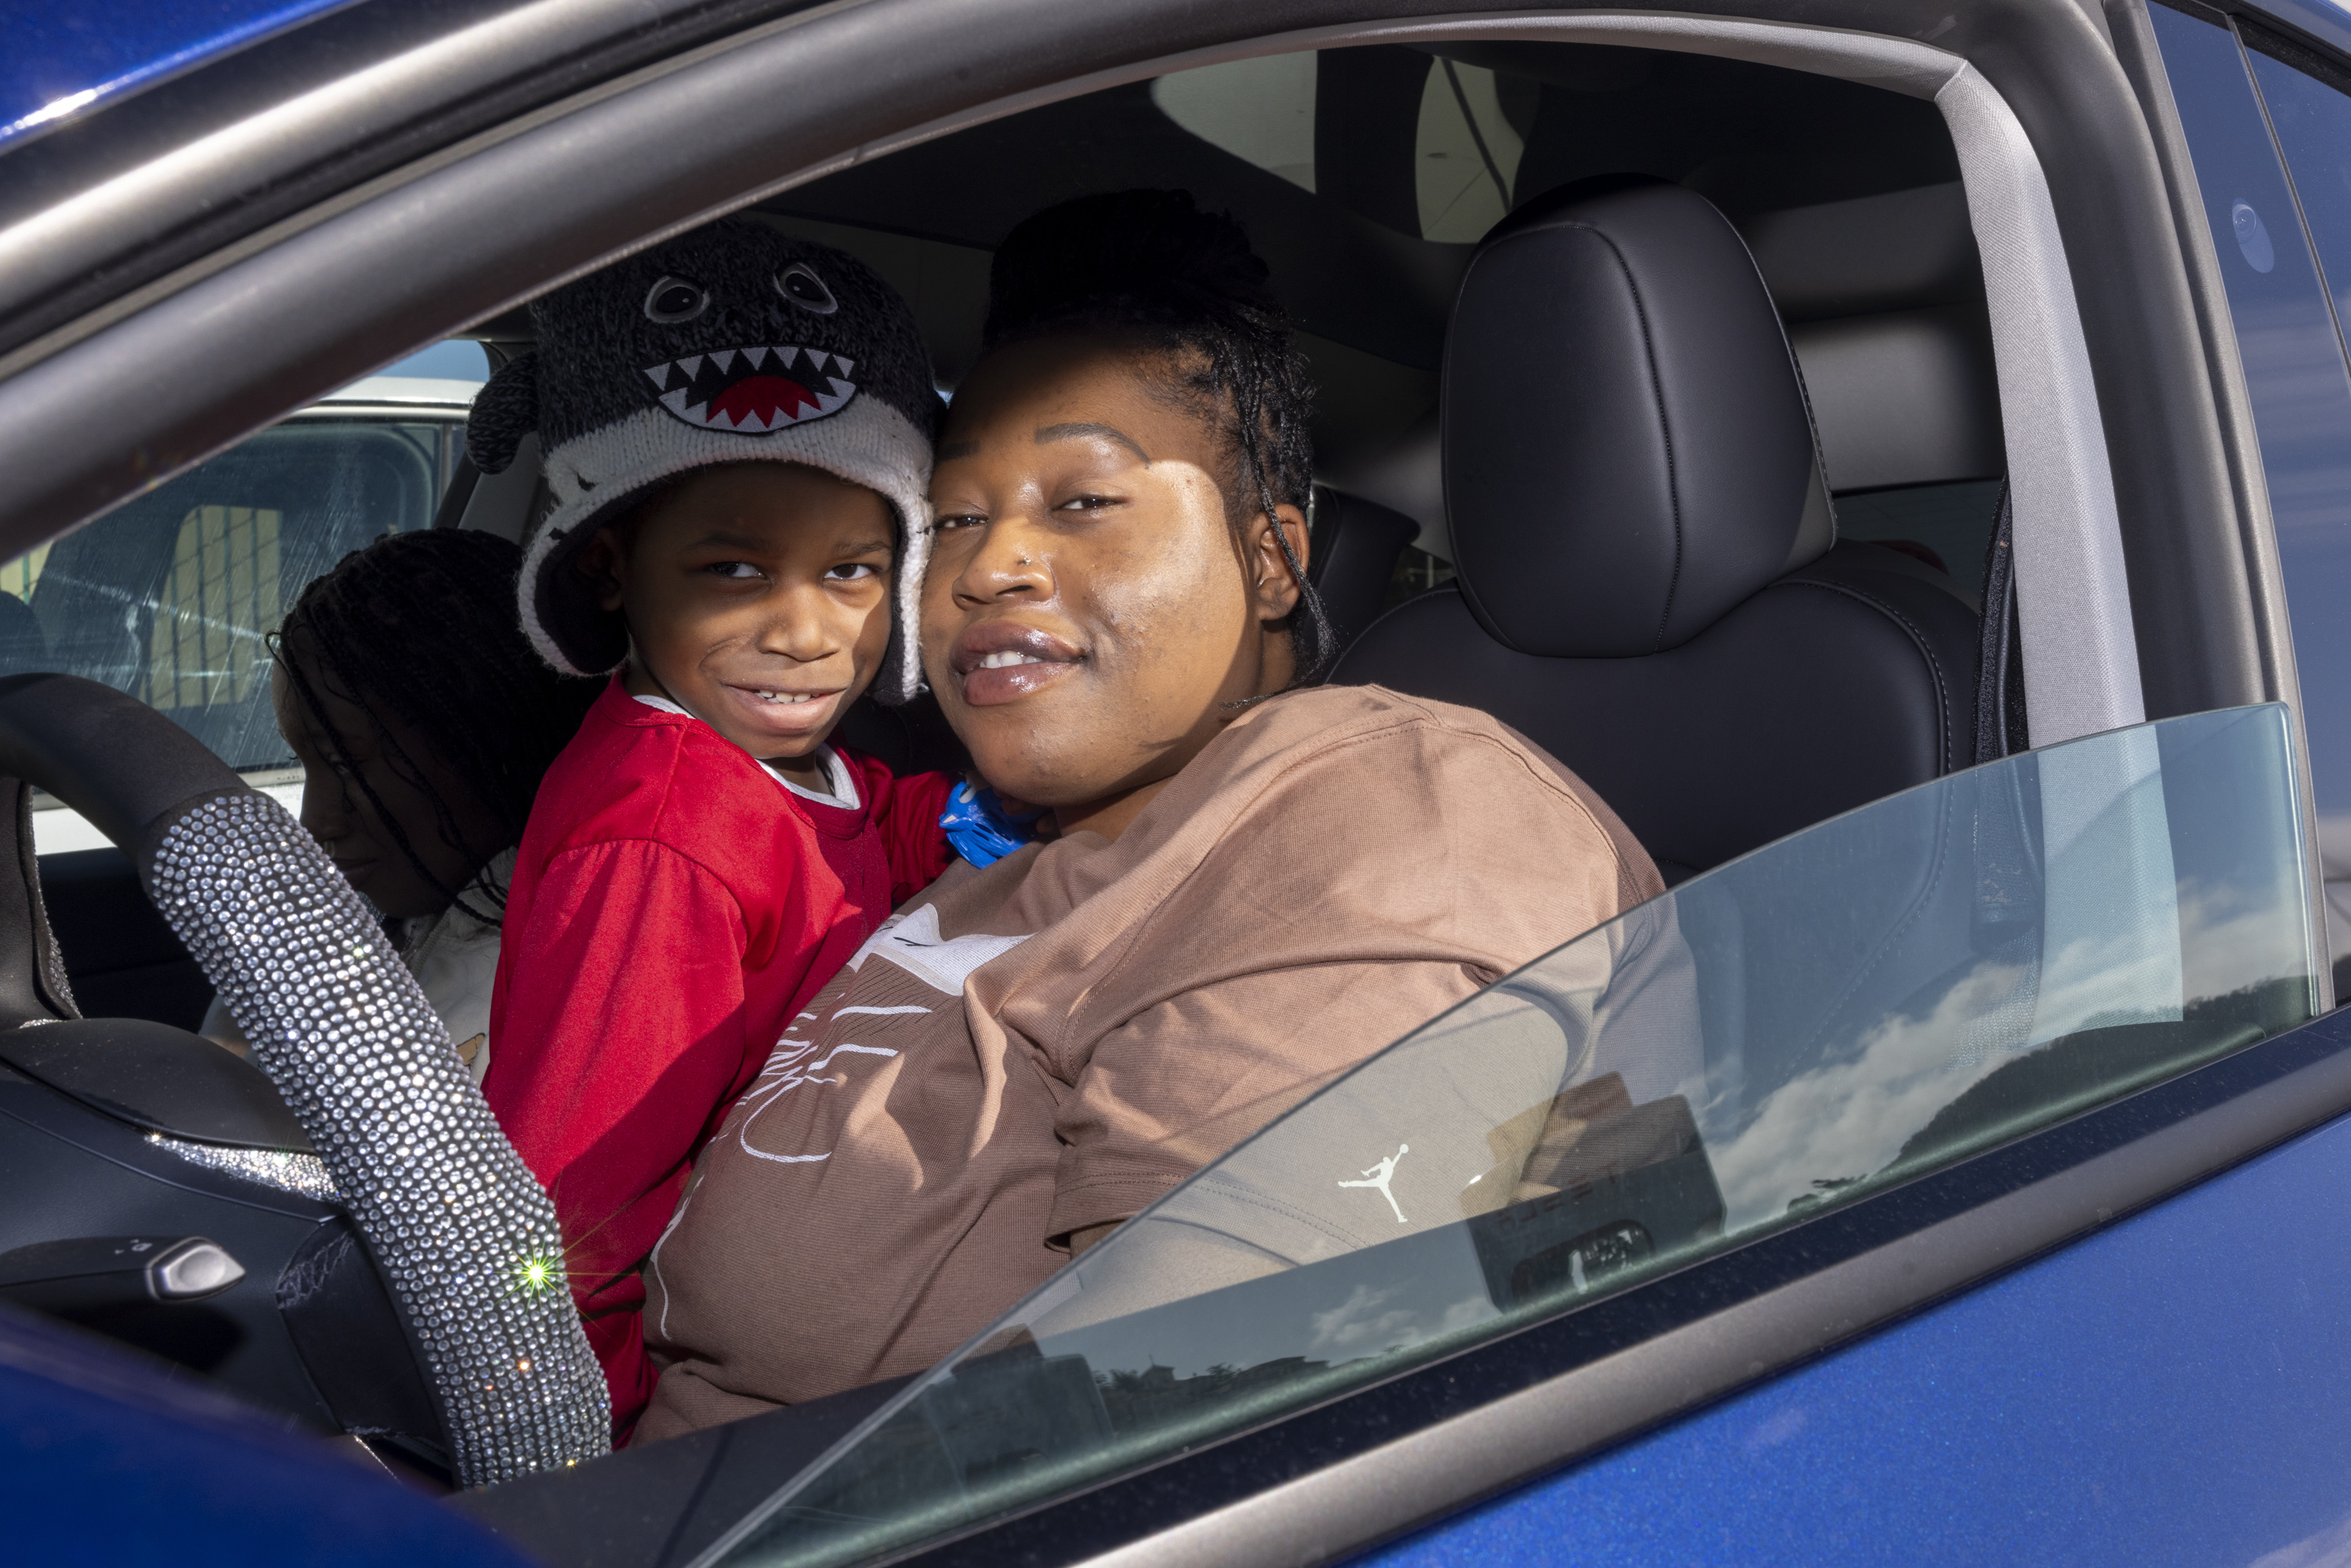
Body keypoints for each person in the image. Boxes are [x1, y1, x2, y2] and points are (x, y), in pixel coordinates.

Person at [631, 190, 1669, 1441]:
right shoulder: (1006, 849)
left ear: (1275, 559)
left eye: (1082, 502)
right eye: (955, 518)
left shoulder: (1388, 815)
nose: (985, 566)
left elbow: (1181, 1433)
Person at [467, 219, 982, 1439]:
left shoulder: (775, 762)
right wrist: (581, 1454)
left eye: (854, 572)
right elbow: (566, 1206)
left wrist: (991, 816)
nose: (809, 632)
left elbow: (865, 833)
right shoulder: (664, 840)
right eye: (736, 571)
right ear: (609, 568)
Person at [205, 529, 597, 1079]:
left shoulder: (546, 978)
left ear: (482, 739)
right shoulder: (390, 915)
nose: (314, 822)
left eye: (346, 764)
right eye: (307, 764)